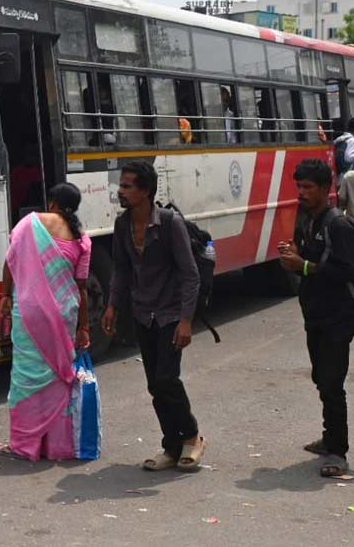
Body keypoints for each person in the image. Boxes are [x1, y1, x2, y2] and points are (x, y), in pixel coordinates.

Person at [102, 161, 206, 472]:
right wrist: (112, 305)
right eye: (120, 185)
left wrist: (187, 319)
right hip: (142, 313)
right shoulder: (122, 225)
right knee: (154, 384)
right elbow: (121, 269)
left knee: (166, 378)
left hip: (171, 313)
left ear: (145, 191)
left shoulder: (170, 223)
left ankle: (191, 437)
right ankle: (171, 447)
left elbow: (190, 275)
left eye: (127, 186)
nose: (120, 191)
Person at [0, 182, 92, 461]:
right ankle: (56, 446)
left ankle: (25, 445)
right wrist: (84, 327)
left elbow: (10, 261)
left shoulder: (29, 224)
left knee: (26, 378)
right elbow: (82, 287)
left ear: (52, 202)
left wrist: (5, 296)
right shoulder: (82, 239)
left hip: (29, 313)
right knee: (57, 377)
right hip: (65, 314)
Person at [277, 158, 354, 478]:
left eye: (308, 187)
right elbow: (306, 258)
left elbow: (347, 271)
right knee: (321, 379)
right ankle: (329, 438)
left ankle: (338, 452)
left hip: (338, 316)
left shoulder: (338, 225)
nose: (302, 193)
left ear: (326, 189)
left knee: (332, 382)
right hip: (314, 314)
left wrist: (305, 267)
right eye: (299, 187)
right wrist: (292, 254)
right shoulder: (306, 219)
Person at [333, 118, 354, 187]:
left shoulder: (341, 138)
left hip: (341, 176)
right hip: (349, 178)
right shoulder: (351, 140)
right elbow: (348, 158)